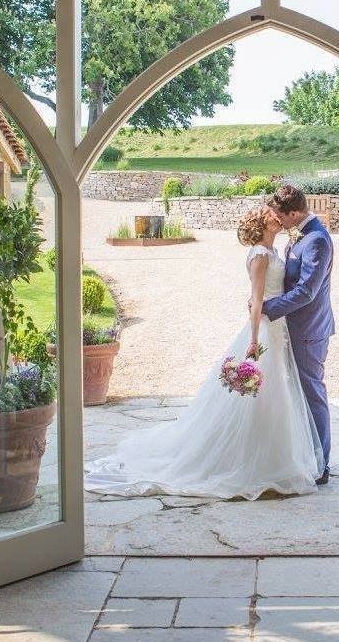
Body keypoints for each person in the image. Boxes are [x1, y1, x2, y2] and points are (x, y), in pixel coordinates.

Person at [84, 205, 324, 499]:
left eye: (277, 214)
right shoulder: (261, 255)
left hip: (278, 329)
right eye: (270, 216)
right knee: (262, 395)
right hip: (264, 330)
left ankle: (274, 457)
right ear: (262, 225)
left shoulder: (275, 250)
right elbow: (256, 300)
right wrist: (252, 340)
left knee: (275, 396)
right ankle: (250, 460)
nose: (276, 217)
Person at [260, 185, 335, 485]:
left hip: (308, 331)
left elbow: (306, 291)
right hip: (292, 328)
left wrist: (267, 307)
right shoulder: (302, 233)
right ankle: (305, 457)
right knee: (297, 395)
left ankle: (322, 466)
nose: (278, 219)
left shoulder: (317, 240)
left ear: (295, 213)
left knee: (312, 394)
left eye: (281, 215)